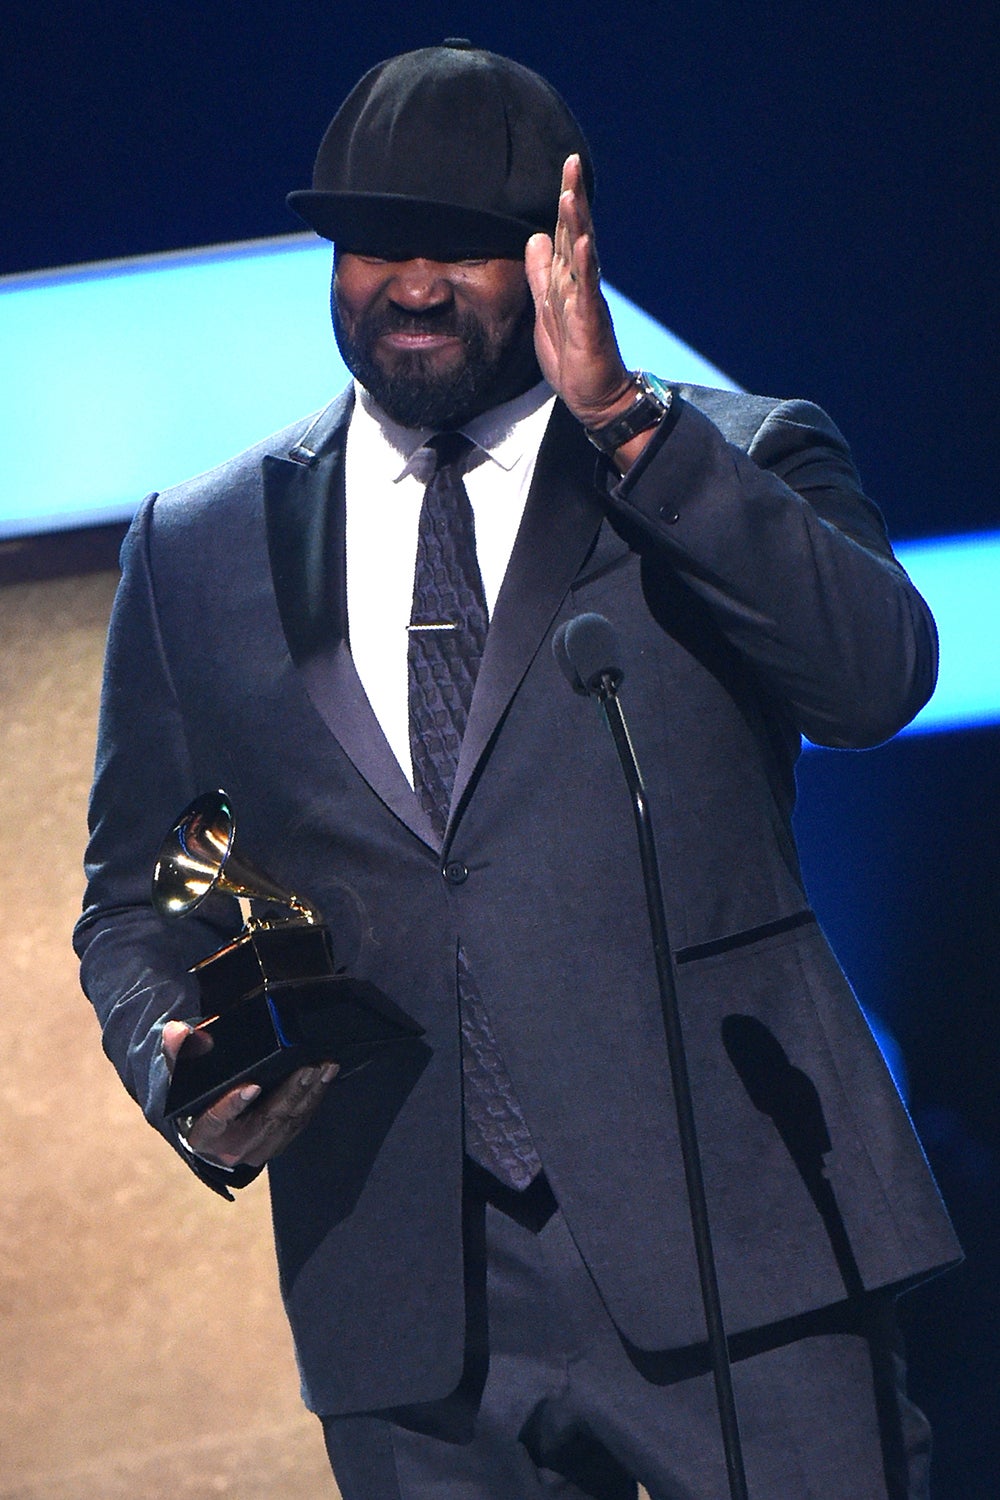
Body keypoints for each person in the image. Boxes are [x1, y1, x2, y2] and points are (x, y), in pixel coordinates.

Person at [76, 39, 960, 1500]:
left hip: (744, 1255)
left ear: (563, 248)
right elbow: (137, 894)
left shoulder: (723, 456)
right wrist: (178, 1053)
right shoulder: (198, 547)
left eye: (466, 246)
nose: (412, 284)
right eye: (374, 244)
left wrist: (626, 423)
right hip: (407, 1304)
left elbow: (876, 682)